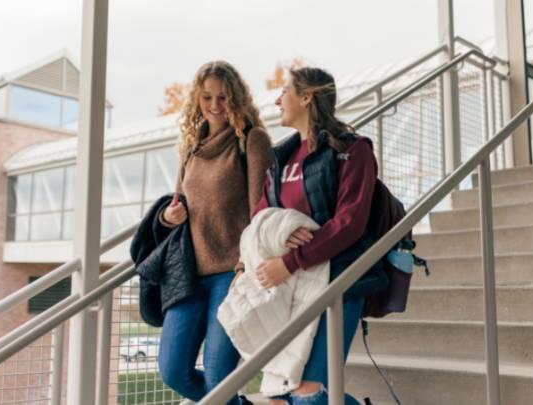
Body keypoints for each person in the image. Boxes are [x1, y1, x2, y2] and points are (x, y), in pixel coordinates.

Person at [251, 66, 388, 405]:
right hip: (292, 288)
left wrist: (290, 260)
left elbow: (351, 221)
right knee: (280, 397)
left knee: (310, 394)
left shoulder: (352, 150)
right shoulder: (280, 157)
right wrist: (250, 259)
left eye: (285, 91)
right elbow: (259, 216)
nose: (278, 99)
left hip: (339, 280)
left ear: (307, 97)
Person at [157, 60, 274, 405]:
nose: (215, 105)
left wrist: (244, 267)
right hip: (189, 275)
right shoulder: (191, 147)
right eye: (207, 97)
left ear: (236, 99)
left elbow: (260, 213)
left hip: (231, 274)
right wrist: (167, 216)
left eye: (223, 97)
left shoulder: (252, 140)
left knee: (219, 380)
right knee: (172, 371)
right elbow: (176, 203)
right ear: (197, 99)